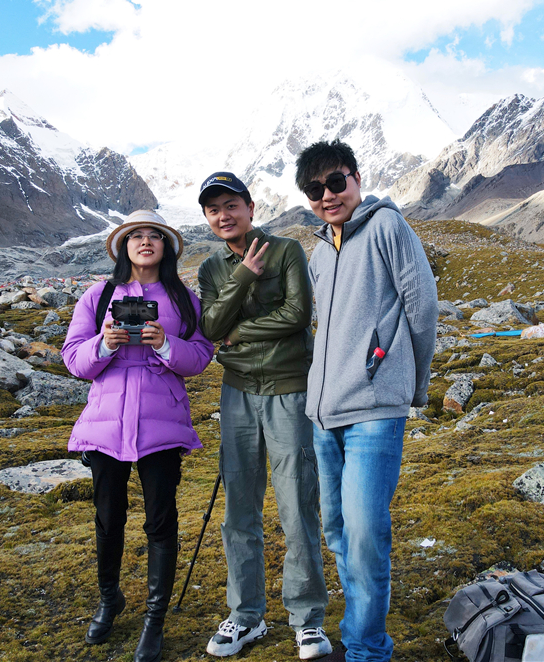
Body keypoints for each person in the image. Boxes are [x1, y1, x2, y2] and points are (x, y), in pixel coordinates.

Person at [295, 140, 438, 662]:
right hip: (323, 413)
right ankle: (361, 633)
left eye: (335, 183)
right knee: (337, 529)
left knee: (364, 531)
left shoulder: (386, 227)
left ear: (355, 178)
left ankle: (366, 649)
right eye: (315, 190)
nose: (327, 196)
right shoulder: (317, 251)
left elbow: (422, 305)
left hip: (375, 410)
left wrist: (411, 384)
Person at [62, 210, 214, 662]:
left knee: (160, 521)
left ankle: (154, 618)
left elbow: (201, 356)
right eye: (136, 236)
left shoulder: (184, 300)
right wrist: (103, 345)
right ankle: (110, 600)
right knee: (108, 518)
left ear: (166, 247)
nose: (145, 242)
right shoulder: (98, 294)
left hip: (161, 425)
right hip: (105, 424)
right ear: (122, 246)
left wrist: (164, 343)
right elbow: (73, 359)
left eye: (154, 236)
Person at [196, 172, 331, 659]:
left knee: (297, 504)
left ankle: (307, 618)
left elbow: (298, 316)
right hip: (236, 395)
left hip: (288, 389)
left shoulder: (286, 251)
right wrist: (243, 278)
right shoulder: (212, 267)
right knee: (239, 511)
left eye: (231, 205)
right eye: (214, 210)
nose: (223, 215)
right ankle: (245, 616)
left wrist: (238, 335)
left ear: (250, 207)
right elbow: (210, 326)